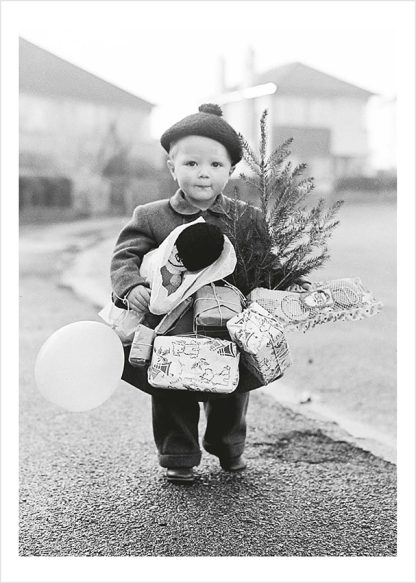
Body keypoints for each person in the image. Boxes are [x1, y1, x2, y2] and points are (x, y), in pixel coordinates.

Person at [111, 103, 308, 484]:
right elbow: (125, 255)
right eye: (191, 164)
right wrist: (131, 285)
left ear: (231, 170)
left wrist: (290, 282)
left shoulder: (245, 217)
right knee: (169, 387)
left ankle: (228, 447)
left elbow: (263, 262)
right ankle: (179, 455)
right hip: (170, 326)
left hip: (228, 322)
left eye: (215, 165)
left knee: (232, 388)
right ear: (172, 167)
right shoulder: (151, 216)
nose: (204, 173)